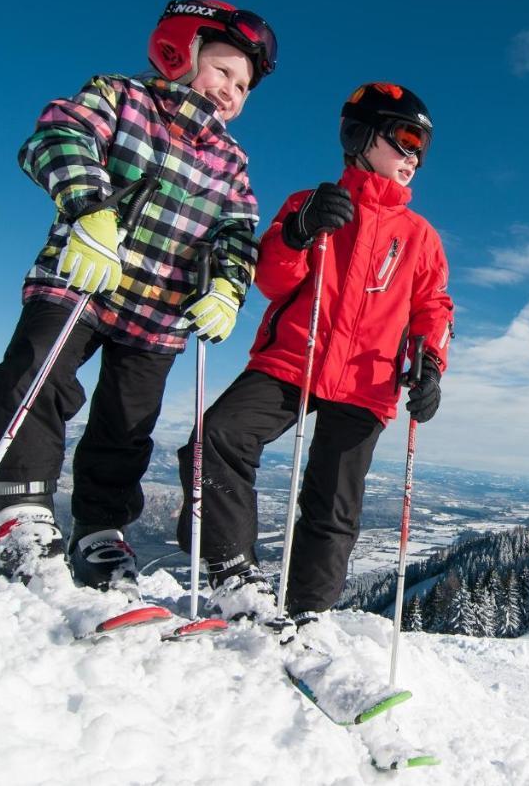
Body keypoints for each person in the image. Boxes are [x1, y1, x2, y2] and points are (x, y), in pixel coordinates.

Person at [0, 0, 277, 592]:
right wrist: (89, 208)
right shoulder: (121, 98)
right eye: (222, 71)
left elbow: (237, 233)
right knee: (35, 376)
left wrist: (226, 287)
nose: (231, 92)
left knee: (126, 423)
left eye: (243, 87)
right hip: (83, 280)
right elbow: (59, 133)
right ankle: (19, 518)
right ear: (180, 50)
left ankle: (100, 532)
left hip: (160, 315)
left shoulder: (233, 163)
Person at [176, 82, 453, 625]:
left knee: (332, 504)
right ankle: (234, 576)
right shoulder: (312, 204)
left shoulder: (420, 237)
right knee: (217, 439)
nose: (414, 156)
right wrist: (300, 232)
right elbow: (274, 281)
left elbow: (433, 309)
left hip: (366, 380)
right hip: (294, 359)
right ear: (361, 135)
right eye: (404, 138)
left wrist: (431, 364)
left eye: (422, 146)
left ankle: (308, 614)